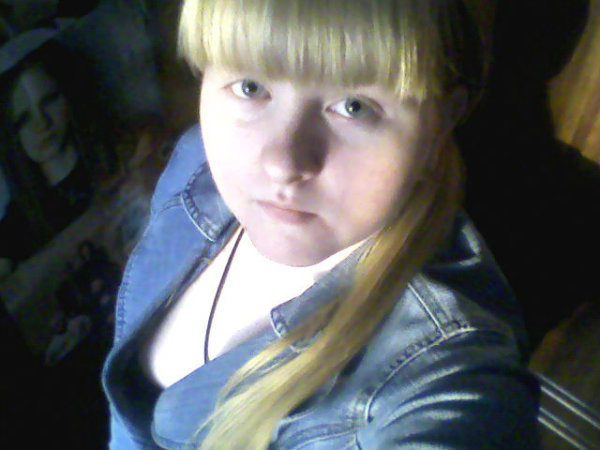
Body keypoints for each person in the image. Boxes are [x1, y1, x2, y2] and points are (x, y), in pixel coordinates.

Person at [103, 0, 541, 449]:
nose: (283, 163)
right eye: (251, 87)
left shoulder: (438, 367)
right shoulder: (195, 161)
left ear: (441, 122)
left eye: (355, 106)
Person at [0, 40, 116, 265]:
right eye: (23, 119)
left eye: (49, 101)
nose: (41, 124)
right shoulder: (14, 231)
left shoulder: (124, 152)